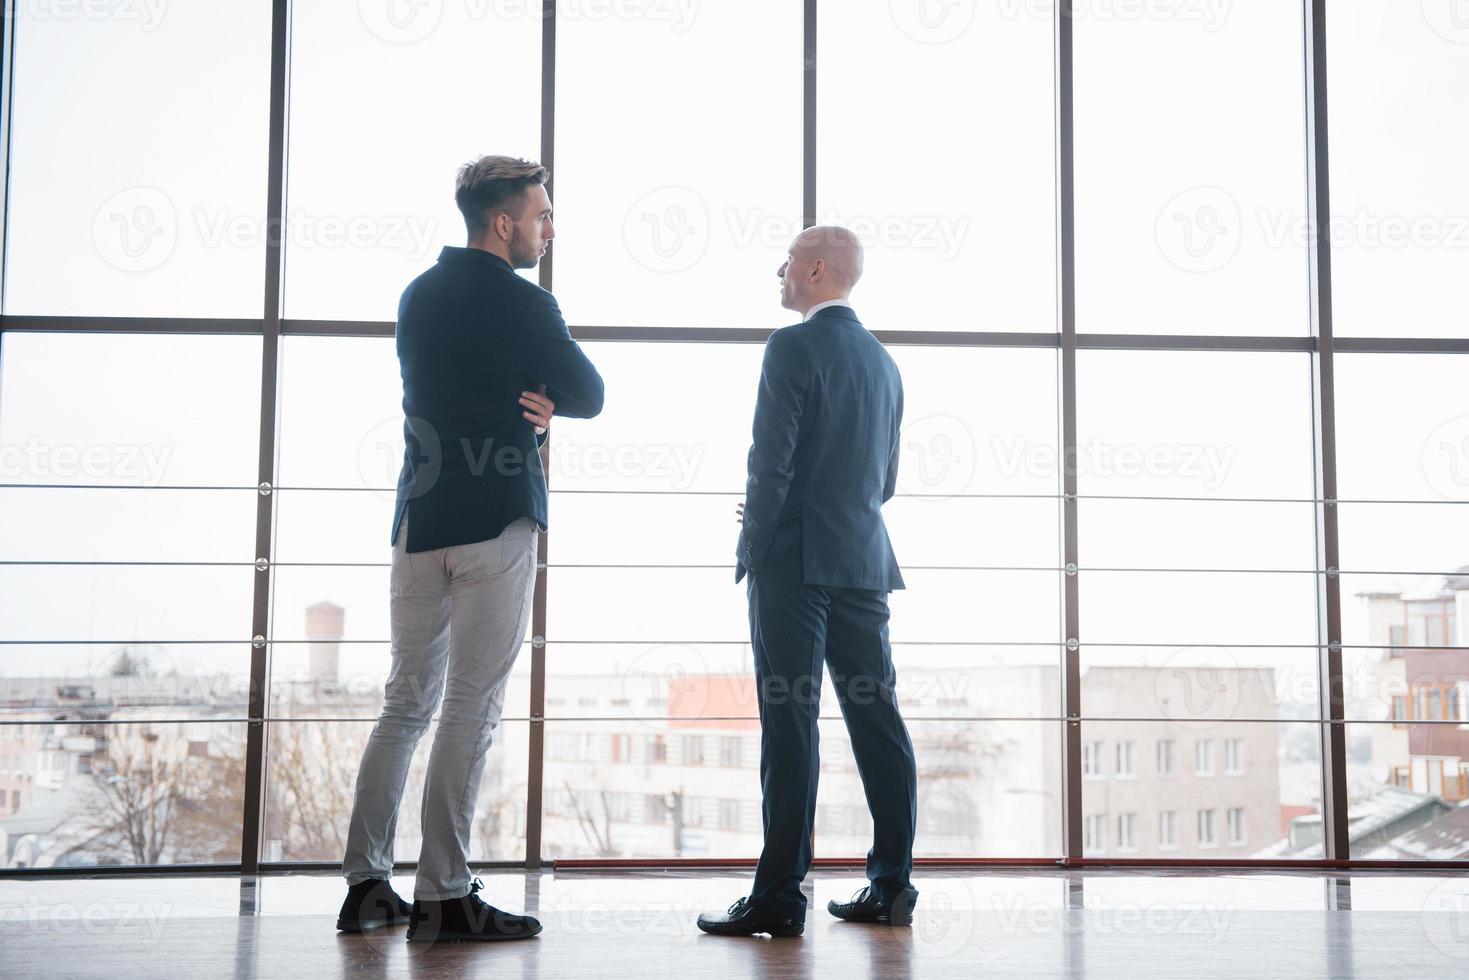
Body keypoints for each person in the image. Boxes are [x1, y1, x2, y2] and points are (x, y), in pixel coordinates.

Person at [336, 155, 604, 943]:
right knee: (470, 709)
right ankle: (447, 895)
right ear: (504, 221)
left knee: (405, 702)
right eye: (542, 215)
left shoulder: (418, 294)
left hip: (418, 522)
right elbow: (589, 392)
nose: (548, 229)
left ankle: (366, 887)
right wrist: (547, 403)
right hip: (492, 521)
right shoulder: (525, 302)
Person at [697, 226, 919, 938]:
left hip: (793, 562)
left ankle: (778, 897)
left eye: (787, 261)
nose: (779, 272)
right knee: (876, 719)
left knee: (789, 723)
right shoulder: (884, 364)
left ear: (816, 268)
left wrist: (753, 539)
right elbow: (880, 481)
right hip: (860, 559)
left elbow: (771, 463)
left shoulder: (789, 346)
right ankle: (890, 886)